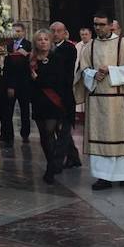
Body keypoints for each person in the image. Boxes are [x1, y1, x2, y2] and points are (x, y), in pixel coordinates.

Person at [75, 12, 124, 190]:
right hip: (98, 101)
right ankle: (104, 177)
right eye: (95, 24)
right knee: (100, 137)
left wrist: (111, 70)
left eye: (102, 24)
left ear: (111, 25)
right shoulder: (89, 47)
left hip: (122, 102)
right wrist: (94, 74)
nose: (98, 28)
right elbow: (82, 71)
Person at [29, 29, 69, 183]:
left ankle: (51, 168)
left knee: (49, 131)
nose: (43, 42)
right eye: (40, 39)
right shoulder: (32, 60)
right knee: (44, 137)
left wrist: (38, 79)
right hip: (39, 102)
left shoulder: (56, 58)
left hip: (53, 101)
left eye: (46, 39)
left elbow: (57, 80)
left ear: (50, 42)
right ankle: (51, 162)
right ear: (36, 42)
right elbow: (28, 80)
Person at [50, 22, 81, 168]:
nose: (55, 34)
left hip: (65, 94)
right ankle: (74, 157)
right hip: (50, 95)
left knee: (63, 129)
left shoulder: (69, 48)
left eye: (58, 31)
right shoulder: (48, 47)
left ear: (65, 33)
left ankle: (56, 162)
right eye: (53, 31)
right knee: (60, 129)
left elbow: (65, 70)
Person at [0, 22, 31, 146]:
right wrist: (10, 85)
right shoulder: (8, 45)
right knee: (8, 111)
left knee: (25, 111)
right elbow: (7, 67)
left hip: (24, 84)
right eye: (14, 31)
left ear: (23, 32)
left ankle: (25, 134)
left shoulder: (28, 45)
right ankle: (8, 134)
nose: (16, 33)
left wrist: (27, 55)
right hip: (10, 83)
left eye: (18, 31)